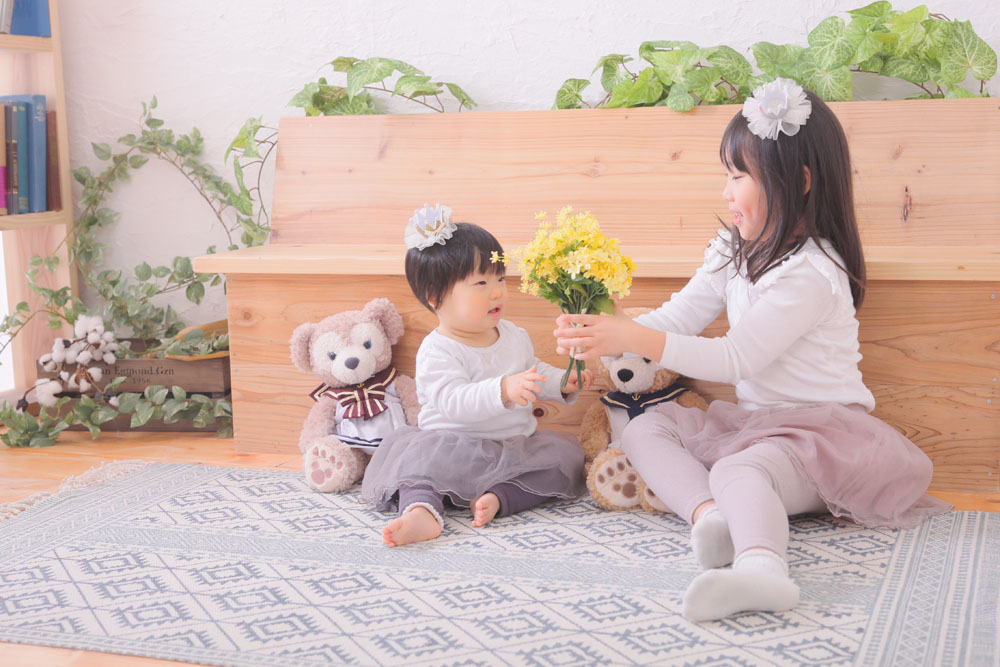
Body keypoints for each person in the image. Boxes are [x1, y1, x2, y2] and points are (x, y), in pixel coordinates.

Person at [551, 79, 951, 622]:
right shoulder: (734, 249)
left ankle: (763, 571)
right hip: (754, 424)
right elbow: (681, 315)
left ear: (799, 181)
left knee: (740, 470)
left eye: (738, 176)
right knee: (644, 429)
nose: (726, 191)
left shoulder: (811, 272)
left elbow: (735, 358)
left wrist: (630, 337)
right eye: (728, 174)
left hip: (821, 437)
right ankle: (711, 517)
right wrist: (607, 333)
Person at [361, 203, 590, 547]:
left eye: (500, 278)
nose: (497, 291)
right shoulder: (438, 350)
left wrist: (561, 382)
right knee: (416, 467)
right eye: (481, 282)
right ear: (436, 298)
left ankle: (500, 497)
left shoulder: (514, 335)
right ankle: (421, 512)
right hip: (451, 448)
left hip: (513, 449)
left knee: (566, 458)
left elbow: (531, 371)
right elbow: (453, 401)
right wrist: (504, 390)